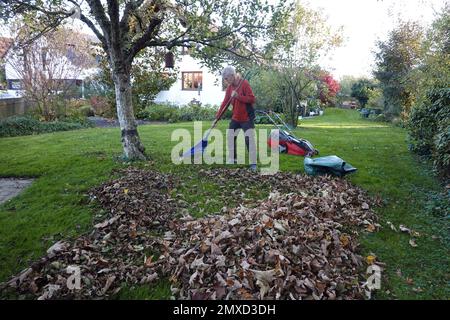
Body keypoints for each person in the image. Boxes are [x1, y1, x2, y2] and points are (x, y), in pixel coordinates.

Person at [216, 66, 257, 171]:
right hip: (236, 117)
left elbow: (252, 99)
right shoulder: (230, 88)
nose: (225, 81)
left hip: (247, 117)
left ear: (232, 76)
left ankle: (253, 163)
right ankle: (233, 158)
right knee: (230, 136)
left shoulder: (244, 84)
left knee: (249, 140)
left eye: (226, 78)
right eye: (224, 79)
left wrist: (238, 96)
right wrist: (218, 117)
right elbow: (225, 102)